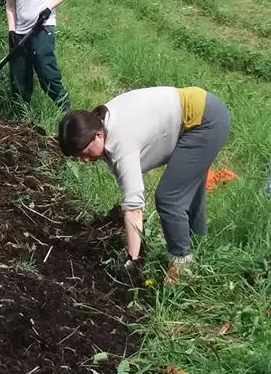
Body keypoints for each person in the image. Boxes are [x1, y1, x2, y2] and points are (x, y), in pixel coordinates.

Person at [58, 86, 231, 277]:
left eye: (85, 152)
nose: (84, 160)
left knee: (169, 198)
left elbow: (133, 208)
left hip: (203, 120)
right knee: (186, 190)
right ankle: (198, 245)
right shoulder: (101, 121)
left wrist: (133, 260)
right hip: (202, 107)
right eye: (79, 157)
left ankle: (181, 267)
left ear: (98, 135)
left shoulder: (120, 141)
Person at [4, 0, 70, 111]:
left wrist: (49, 8)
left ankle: (65, 108)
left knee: (45, 69)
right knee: (19, 75)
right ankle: (21, 113)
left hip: (42, 28)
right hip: (20, 31)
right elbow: (10, 5)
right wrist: (11, 30)